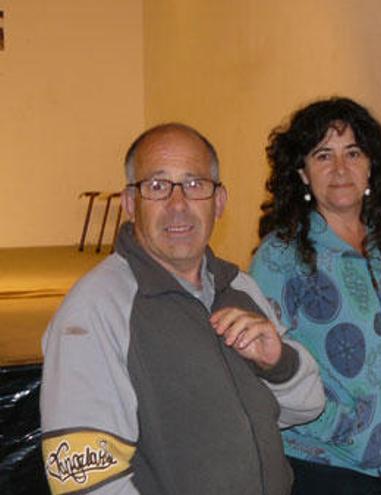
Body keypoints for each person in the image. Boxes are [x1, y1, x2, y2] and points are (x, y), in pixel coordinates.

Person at [39, 124, 325, 494]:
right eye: (157, 186)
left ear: (218, 202)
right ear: (130, 203)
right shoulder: (96, 309)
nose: (178, 205)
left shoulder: (240, 288)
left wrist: (278, 363)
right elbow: (85, 482)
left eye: (194, 185)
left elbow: (307, 408)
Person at [250, 98, 381, 495]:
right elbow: (264, 368)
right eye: (323, 155)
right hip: (327, 466)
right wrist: (341, 426)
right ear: (303, 173)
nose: (340, 169)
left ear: (371, 164)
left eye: (353, 152)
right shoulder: (278, 256)